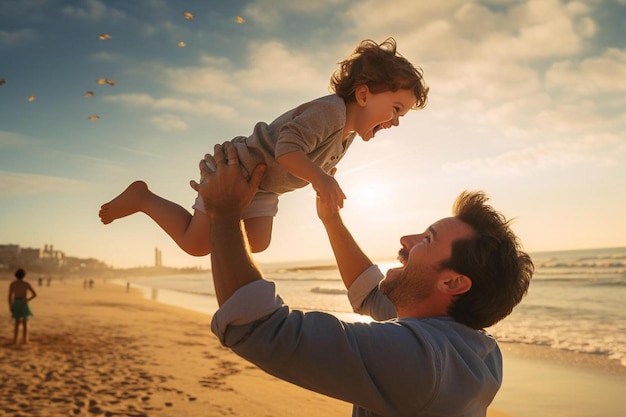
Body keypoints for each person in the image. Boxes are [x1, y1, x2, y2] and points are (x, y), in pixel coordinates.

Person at [190, 144, 534, 417]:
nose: (405, 240)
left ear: (453, 284)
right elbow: (372, 294)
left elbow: (259, 329)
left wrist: (225, 211)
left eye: (426, 240)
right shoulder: (478, 350)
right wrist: (331, 219)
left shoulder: (423, 362)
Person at [99, 38, 429, 255]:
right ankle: (143, 197)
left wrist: (324, 174)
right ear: (363, 94)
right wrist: (321, 179)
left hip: (264, 186)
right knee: (195, 244)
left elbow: (315, 157)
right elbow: (287, 150)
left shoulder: (348, 134)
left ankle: (225, 247)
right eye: (396, 109)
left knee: (258, 242)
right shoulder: (330, 111)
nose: (396, 121)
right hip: (236, 168)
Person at [8, 268, 37, 345]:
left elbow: (9, 297)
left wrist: (10, 306)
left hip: (16, 302)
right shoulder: (26, 284)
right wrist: (27, 300)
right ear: (24, 276)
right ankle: (25, 340)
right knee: (25, 322)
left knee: (17, 322)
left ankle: (15, 340)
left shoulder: (13, 284)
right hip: (24, 302)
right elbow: (34, 294)